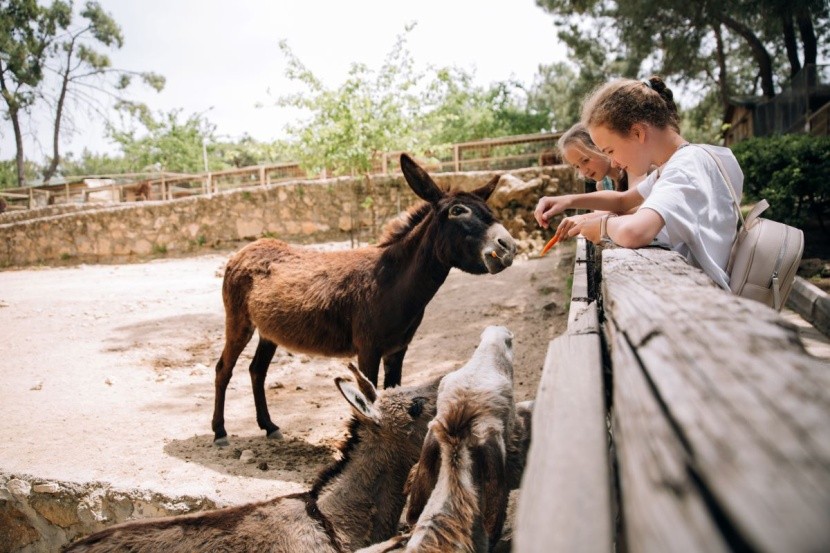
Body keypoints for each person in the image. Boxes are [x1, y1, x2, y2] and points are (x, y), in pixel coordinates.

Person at [534, 76, 744, 290]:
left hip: (702, 302)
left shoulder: (684, 168)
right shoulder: (695, 158)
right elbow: (624, 201)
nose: (614, 162)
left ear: (637, 133)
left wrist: (602, 226)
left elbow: (635, 232)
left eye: (610, 151)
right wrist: (566, 201)